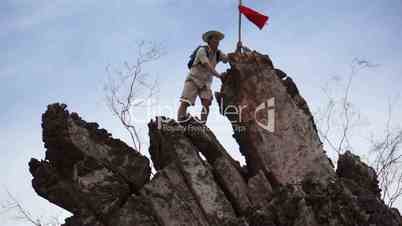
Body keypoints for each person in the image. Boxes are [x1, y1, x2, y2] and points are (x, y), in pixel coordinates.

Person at [177, 30, 229, 124]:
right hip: (193, 79)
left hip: (206, 82)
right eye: (215, 39)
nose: (217, 41)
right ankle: (181, 120)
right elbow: (207, 65)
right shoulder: (202, 50)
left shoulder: (218, 53)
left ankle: (202, 124)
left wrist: (238, 49)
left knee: (206, 103)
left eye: (218, 39)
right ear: (209, 40)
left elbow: (228, 59)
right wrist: (219, 76)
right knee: (185, 101)